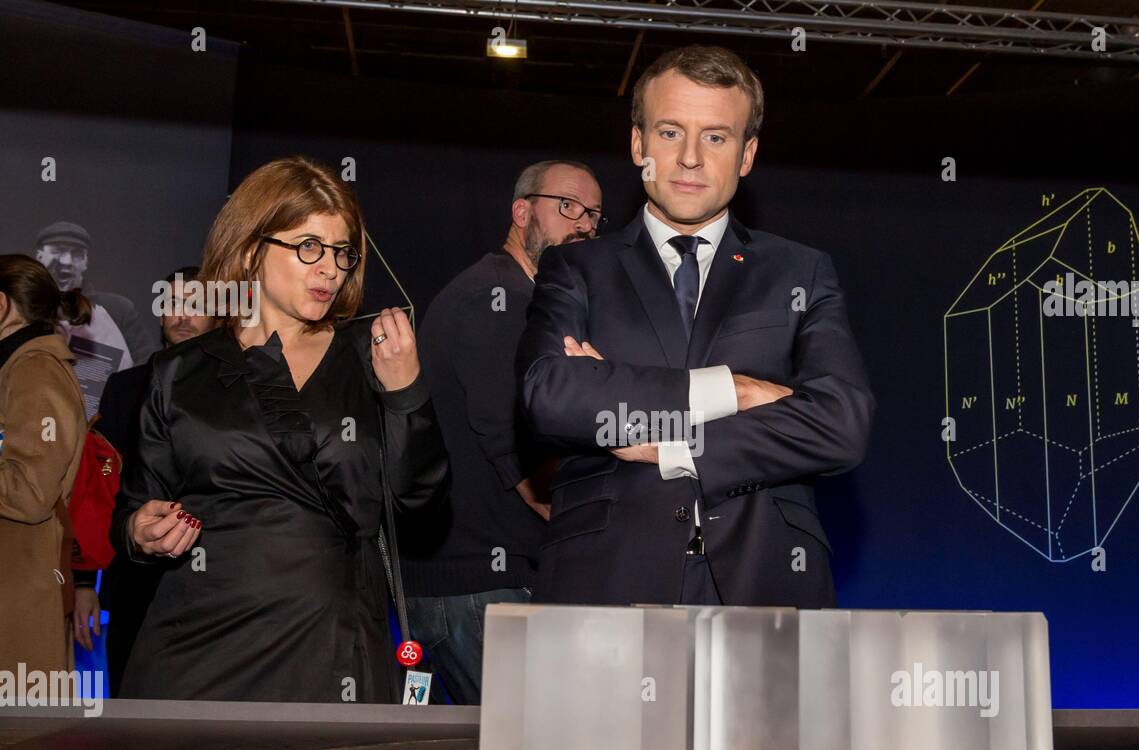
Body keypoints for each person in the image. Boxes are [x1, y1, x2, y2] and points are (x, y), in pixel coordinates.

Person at [516, 45, 875, 608]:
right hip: (605, 579)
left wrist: (670, 446)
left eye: (715, 136)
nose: (689, 157)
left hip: (767, 582)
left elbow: (841, 424)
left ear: (747, 154)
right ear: (638, 144)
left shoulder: (800, 270)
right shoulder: (575, 267)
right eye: (668, 132)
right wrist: (735, 390)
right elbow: (553, 396)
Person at [110, 156, 449, 702]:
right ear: (249, 249)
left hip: (330, 646)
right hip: (199, 647)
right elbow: (133, 509)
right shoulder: (180, 373)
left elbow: (422, 507)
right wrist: (140, 532)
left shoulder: (369, 359)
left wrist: (407, 394)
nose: (331, 269)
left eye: (342, 252)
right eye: (309, 246)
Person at [400, 159, 602, 704]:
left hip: (490, 587)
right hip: (478, 589)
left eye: (593, 215)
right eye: (567, 207)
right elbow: (527, 468)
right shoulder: (496, 301)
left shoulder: (525, 304)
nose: (583, 223)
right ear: (521, 211)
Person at [94, 266, 215, 696]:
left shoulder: (241, 387)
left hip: (217, 585)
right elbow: (100, 490)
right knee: (132, 714)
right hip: (136, 583)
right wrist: (81, 581)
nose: (183, 316)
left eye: (197, 305)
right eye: (174, 304)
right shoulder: (125, 388)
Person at [0, 254, 91, 674]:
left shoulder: (35, 371)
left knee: (21, 738)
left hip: (20, 598)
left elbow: (31, 494)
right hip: (15, 589)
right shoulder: (18, 368)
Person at [35, 222, 147, 415]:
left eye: (76, 253)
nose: (66, 261)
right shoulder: (22, 309)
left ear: (86, 260)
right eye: (57, 251)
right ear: (39, 255)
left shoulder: (117, 309)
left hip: (100, 426)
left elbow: (144, 367)